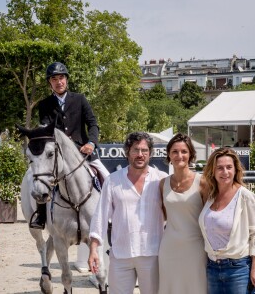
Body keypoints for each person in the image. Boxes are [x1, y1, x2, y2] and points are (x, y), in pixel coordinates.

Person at [30, 61, 109, 229]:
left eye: (61, 78)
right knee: (43, 179)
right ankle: (41, 216)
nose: (59, 82)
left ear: (66, 79)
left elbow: (93, 124)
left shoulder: (80, 99)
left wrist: (91, 143)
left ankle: (110, 216)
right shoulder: (45, 104)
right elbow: (45, 129)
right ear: (50, 83)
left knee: (105, 176)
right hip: (59, 154)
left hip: (83, 150)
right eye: (54, 79)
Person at [88, 132, 167, 294]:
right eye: (135, 150)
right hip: (121, 255)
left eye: (144, 150)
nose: (140, 154)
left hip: (152, 254)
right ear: (127, 152)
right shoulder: (113, 180)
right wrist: (94, 249)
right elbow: (100, 216)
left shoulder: (162, 179)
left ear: (150, 153)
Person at [198, 147, 255, 294]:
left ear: (236, 170)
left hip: (238, 269)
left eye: (229, 167)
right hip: (212, 268)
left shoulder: (246, 197)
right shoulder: (210, 197)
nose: (225, 172)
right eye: (220, 168)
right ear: (213, 171)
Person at [158, 133, 207, 294]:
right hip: (169, 248)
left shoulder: (203, 182)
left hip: (196, 248)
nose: (180, 155)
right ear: (169, 155)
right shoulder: (162, 184)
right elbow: (165, 214)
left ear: (191, 154)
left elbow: (209, 217)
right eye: (175, 151)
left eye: (184, 151)